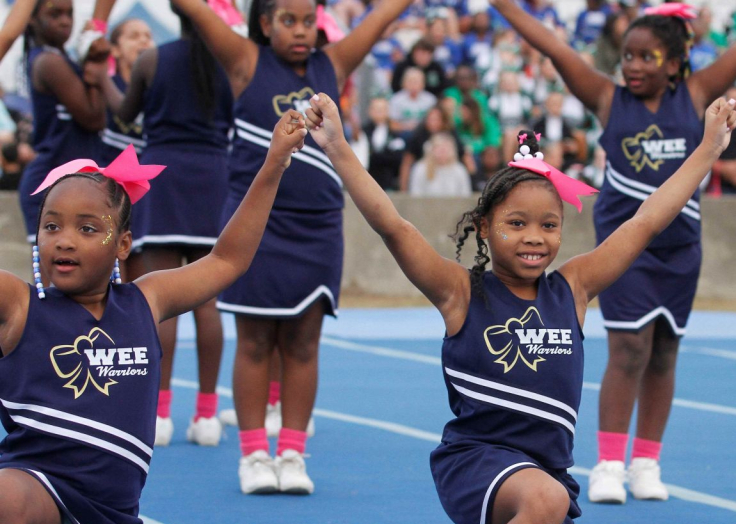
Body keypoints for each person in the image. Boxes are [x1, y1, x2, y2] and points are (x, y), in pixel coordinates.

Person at [304, 87, 736, 524]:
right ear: (484, 228)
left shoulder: (574, 288)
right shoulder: (461, 292)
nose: (535, 237)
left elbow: (645, 220)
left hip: (547, 475)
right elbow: (394, 226)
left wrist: (708, 148)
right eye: (516, 224)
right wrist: (337, 148)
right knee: (544, 503)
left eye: (549, 225)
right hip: (477, 461)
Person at [0, 115, 304, 524]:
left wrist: (273, 163)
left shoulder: (146, 301)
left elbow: (228, 260)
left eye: (87, 228)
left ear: (123, 245)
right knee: (3, 497)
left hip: (105, 523)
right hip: (35, 497)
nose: (64, 239)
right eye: (51, 225)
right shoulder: (19, 306)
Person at [489, 0, 736, 503]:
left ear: (675, 61)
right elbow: (553, 45)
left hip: (680, 249)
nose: (633, 66)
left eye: (647, 57)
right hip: (626, 248)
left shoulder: (697, 93)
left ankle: (646, 461)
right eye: (628, 56)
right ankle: (608, 464)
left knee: (663, 352)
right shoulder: (607, 97)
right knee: (629, 348)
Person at [170, 0, 415, 494]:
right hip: (258, 227)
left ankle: (293, 452)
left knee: (304, 343)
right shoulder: (245, 60)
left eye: (308, 21)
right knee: (255, 341)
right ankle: (254, 454)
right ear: (265, 23)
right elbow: (191, 8)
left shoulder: (332, 64)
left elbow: (381, 17)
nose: (301, 32)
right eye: (288, 21)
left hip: (318, 226)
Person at [99, 3, 234, 448]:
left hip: (163, 177)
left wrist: (101, 78)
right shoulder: (231, 60)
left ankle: (159, 414)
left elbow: (125, 112)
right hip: (213, 178)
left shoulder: (152, 59)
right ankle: (207, 414)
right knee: (208, 302)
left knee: (162, 297)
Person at [18, 0, 106, 240]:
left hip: (70, 180)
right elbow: (93, 117)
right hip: (52, 181)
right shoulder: (49, 62)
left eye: (69, 14)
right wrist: (96, 65)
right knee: (57, 263)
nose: (65, 21)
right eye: (55, 14)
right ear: (32, 19)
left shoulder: (62, 58)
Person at [97, 18, 152, 165]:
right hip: (107, 171)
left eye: (148, 36)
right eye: (134, 36)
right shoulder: (105, 86)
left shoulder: (158, 92)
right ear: (115, 50)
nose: (144, 41)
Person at [408, 132, 472, 196]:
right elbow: (415, 193)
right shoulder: (420, 168)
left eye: (446, 148)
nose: (443, 152)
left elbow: (465, 194)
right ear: (431, 150)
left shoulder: (459, 169)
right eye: (439, 148)